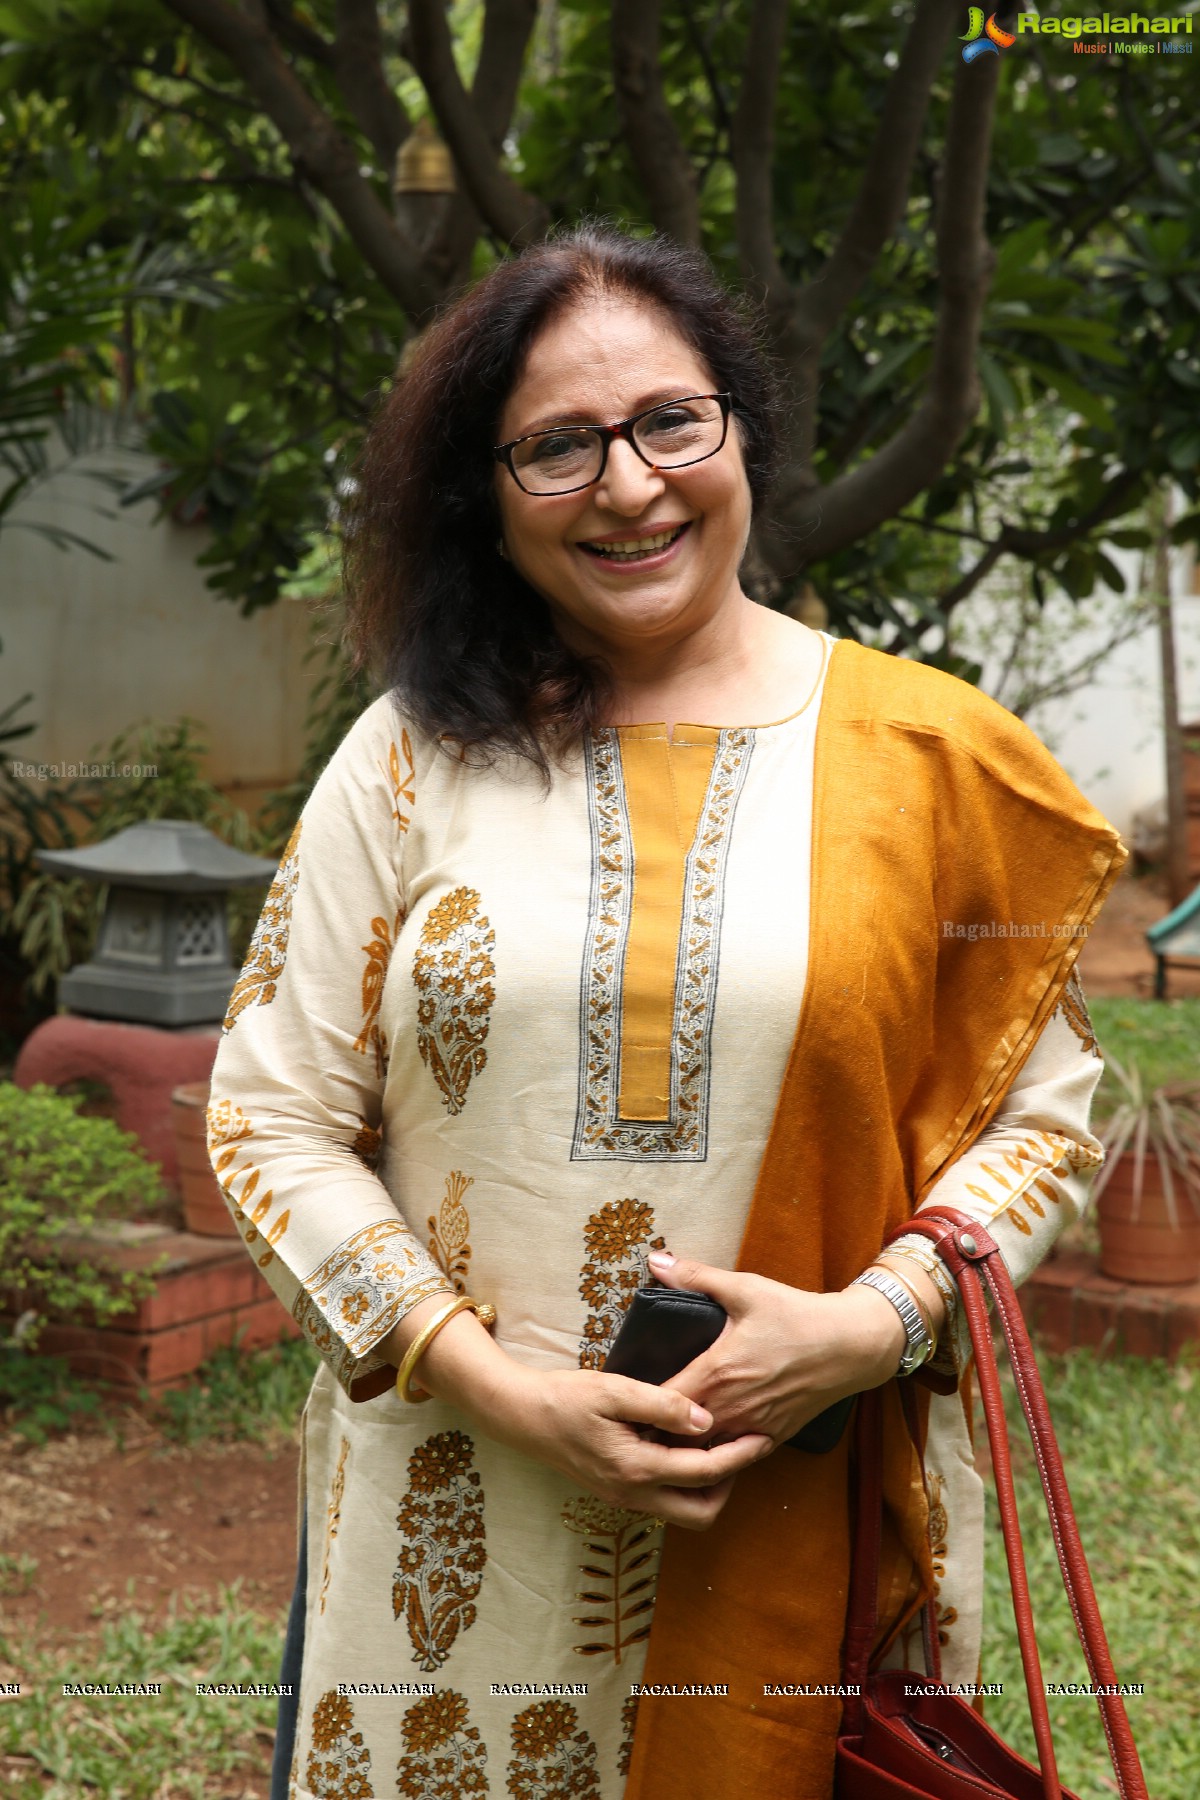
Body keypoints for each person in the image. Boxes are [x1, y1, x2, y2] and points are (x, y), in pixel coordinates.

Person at [207, 224, 1125, 1800]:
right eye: (556, 446)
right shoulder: (409, 757)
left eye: (668, 423)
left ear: (739, 432)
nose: (627, 486)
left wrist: (864, 1328)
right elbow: (268, 1111)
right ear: (487, 502)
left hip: (787, 1518)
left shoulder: (925, 760)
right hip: (453, 1538)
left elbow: (1045, 1115)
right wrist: (497, 1382)